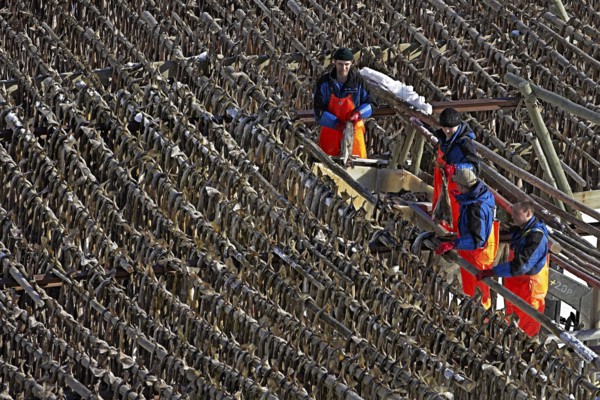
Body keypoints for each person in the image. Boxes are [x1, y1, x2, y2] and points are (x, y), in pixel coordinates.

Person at [476, 200, 549, 337]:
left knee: (526, 331)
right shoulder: (522, 230)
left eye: (516, 213)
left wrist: (493, 271)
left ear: (528, 213)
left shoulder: (536, 237)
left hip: (529, 289)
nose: (512, 216)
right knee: (512, 326)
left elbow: (520, 266)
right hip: (516, 286)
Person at [435, 168, 499, 309]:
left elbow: (478, 240)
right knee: (472, 294)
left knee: (478, 297)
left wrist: (454, 244)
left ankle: (482, 324)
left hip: (477, 256)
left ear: (463, 186)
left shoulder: (476, 207)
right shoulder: (481, 195)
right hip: (477, 252)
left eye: (457, 184)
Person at [313, 47, 373, 158]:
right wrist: (336, 124)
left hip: (353, 130)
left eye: (347, 64)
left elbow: (370, 104)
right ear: (334, 62)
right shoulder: (324, 83)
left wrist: (358, 114)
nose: (343, 68)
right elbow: (318, 111)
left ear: (351, 64)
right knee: (327, 163)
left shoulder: (359, 82)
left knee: (357, 164)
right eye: (340, 64)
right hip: (330, 131)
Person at [432, 108, 480, 232]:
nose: (447, 130)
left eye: (450, 127)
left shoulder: (465, 143)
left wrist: (455, 168)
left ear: (458, 125)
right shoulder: (443, 138)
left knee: (456, 218)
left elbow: (474, 167)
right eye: (444, 127)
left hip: (458, 186)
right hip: (443, 185)